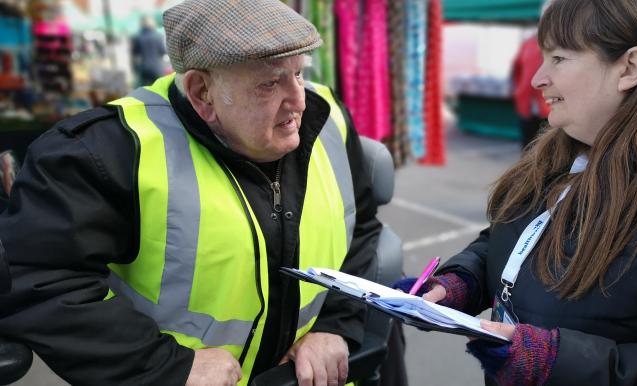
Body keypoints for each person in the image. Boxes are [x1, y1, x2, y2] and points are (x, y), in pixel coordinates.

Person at [0, 0, 383, 385]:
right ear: (202, 92)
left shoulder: (327, 116)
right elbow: (39, 280)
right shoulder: (108, 152)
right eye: (269, 82)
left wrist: (335, 325)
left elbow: (360, 227)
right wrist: (164, 366)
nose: (299, 100)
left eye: (299, 74)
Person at [396, 0, 637, 384]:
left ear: (630, 67)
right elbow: (517, 238)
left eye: (558, 58)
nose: (537, 78)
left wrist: (552, 361)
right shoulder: (571, 146)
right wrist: (459, 283)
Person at [511, 32, 550, 149]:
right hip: (526, 101)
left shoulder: (552, 44)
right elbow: (516, 69)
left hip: (547, 103)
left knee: (546, 142)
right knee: (527, 142)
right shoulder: (527, 44)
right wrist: (519, 89)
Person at [131, 16, 166, 86]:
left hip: (144, 69)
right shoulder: (158, 36)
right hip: (157, 68)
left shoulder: (138, 37)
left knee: (146, 91)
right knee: (159, 90)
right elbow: (163, 51)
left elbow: (135, 54)